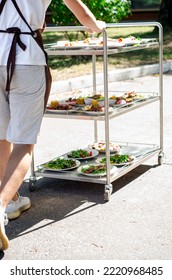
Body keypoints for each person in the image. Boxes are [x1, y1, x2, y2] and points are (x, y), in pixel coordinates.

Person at [0, 0, 106, 250]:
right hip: (26, 58)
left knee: (1, 137)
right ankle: (1, 206)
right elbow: (82, 13)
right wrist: (96, 26)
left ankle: (12, 199)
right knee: (24, 143)